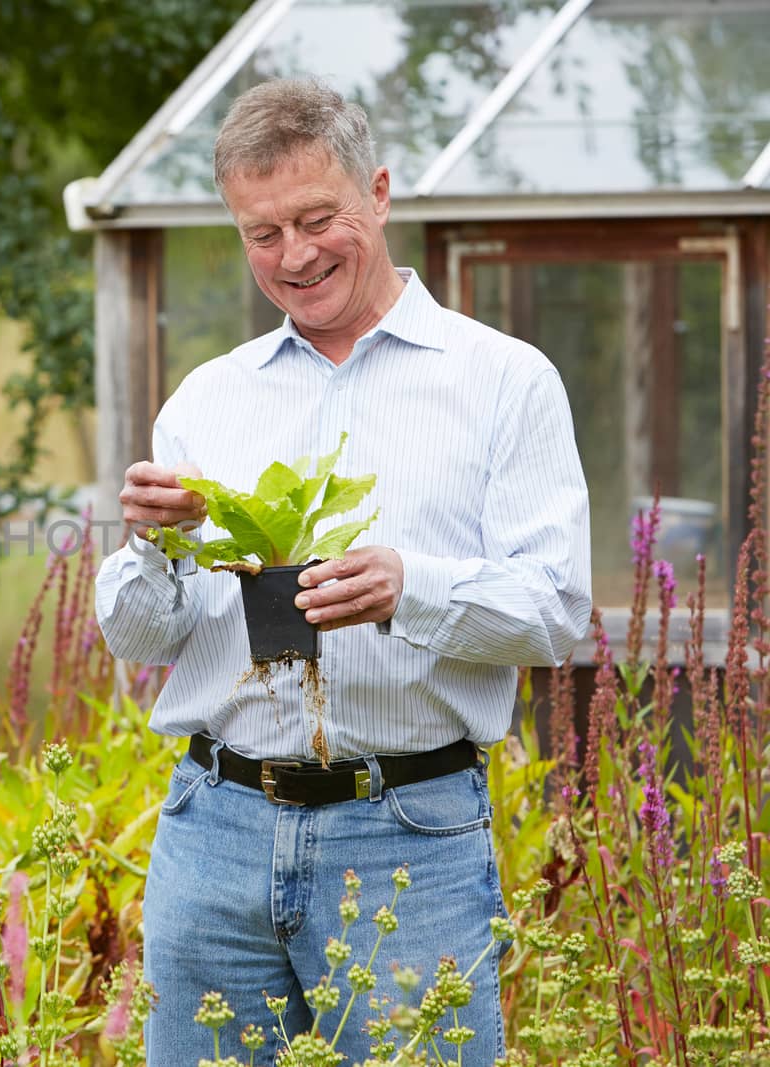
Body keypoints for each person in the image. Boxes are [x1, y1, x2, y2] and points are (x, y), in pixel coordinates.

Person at [94, 78, 591, 1065]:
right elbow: (145, 638)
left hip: (408, 828)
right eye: (261, 232)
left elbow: (554, 612)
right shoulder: (212, 398)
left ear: (379, 191)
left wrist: (412, 587)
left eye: (318, 218)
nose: (294, 255)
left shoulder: (501, 381)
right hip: (213, 826)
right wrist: (147, 544)